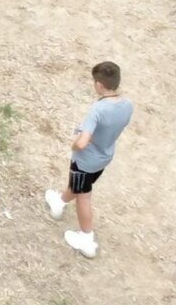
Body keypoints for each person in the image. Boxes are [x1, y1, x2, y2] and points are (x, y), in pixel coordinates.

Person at [43, 62, 132, 259]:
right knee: (80, 185)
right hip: (104, 157)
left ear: (99, 84)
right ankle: (59, 201)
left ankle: (86, 239)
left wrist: (74, 146)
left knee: (84, 195)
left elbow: (83, 142)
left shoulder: (97, 110)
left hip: (85, 161)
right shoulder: (127, 105)